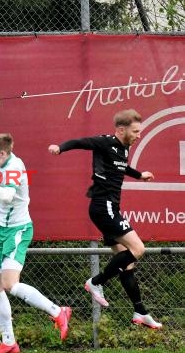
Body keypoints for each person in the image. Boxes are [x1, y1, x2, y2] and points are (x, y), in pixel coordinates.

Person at [48, 109, 161, 329]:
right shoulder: (104, 142)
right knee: (138, 249)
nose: (138, 135)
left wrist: (139, 175)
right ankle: (95, 282)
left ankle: (140, 311)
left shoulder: (124, 147)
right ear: (121, 130)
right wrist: (60, 148)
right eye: (135, 131)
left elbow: (121, 167)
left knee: (127, 263)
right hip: (103, 207)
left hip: (109, 208)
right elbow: (80, 142)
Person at [0, 133, 71, 353]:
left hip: (18, 230)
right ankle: (9, 342)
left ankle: (58, 311)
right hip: (2, 230)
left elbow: (7, 196)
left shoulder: (14, 167)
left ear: (2, 153)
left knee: (10, 284)